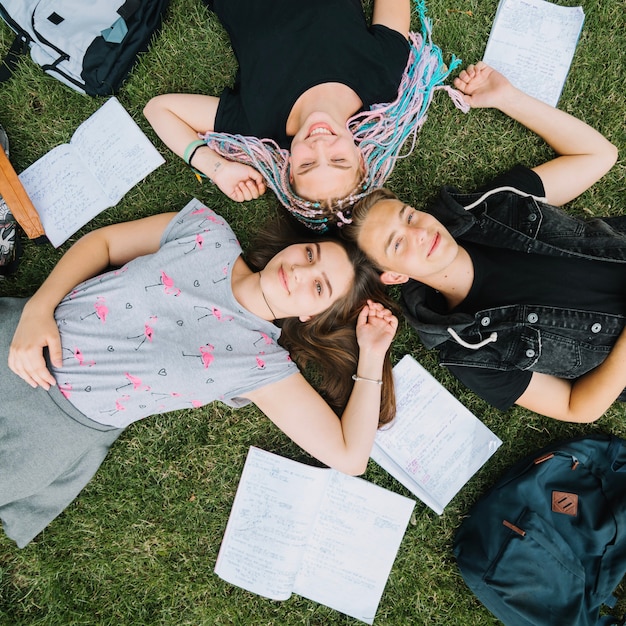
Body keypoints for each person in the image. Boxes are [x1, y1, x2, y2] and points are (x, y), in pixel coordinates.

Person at [1, 197, 398, 548]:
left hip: (57, 429)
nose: (298, 272)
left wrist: (372, 354)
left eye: (318, 287)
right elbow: (103, 244)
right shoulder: (207, 232)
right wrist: (38, 308)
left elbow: (350, 457)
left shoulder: (261, 367)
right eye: (310, 255)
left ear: (311, 315)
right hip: (22, 336)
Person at [342, 61, 623, 424]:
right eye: (397, 245)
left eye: (409, 217)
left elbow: (598, 156)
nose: (419, 233)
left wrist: (508, 98)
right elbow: (577, 407)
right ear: (394, 276)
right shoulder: (465, 349)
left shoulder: (493, 210)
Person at [143, 0, 468, 231]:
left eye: (307, 163)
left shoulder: (258, 122)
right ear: (360, 157)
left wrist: (218, 169)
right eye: (339, 161)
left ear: (289, 170)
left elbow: (158, 109)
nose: (320, 145)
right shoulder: (381, 78)